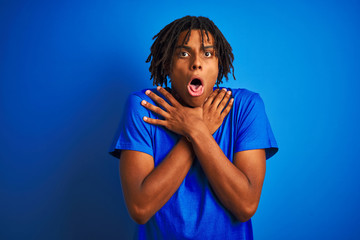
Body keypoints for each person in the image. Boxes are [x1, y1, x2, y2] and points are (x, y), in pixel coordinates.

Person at [110, 16, 278, 239]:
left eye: (207, 54)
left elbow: (245, 205)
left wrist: (196, 130)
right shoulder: (144, 107)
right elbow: (140, 208)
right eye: (183, 53)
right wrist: (197, 129)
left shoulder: (246, 107)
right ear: (168, 66)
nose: (196, 63)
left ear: (220, 66)